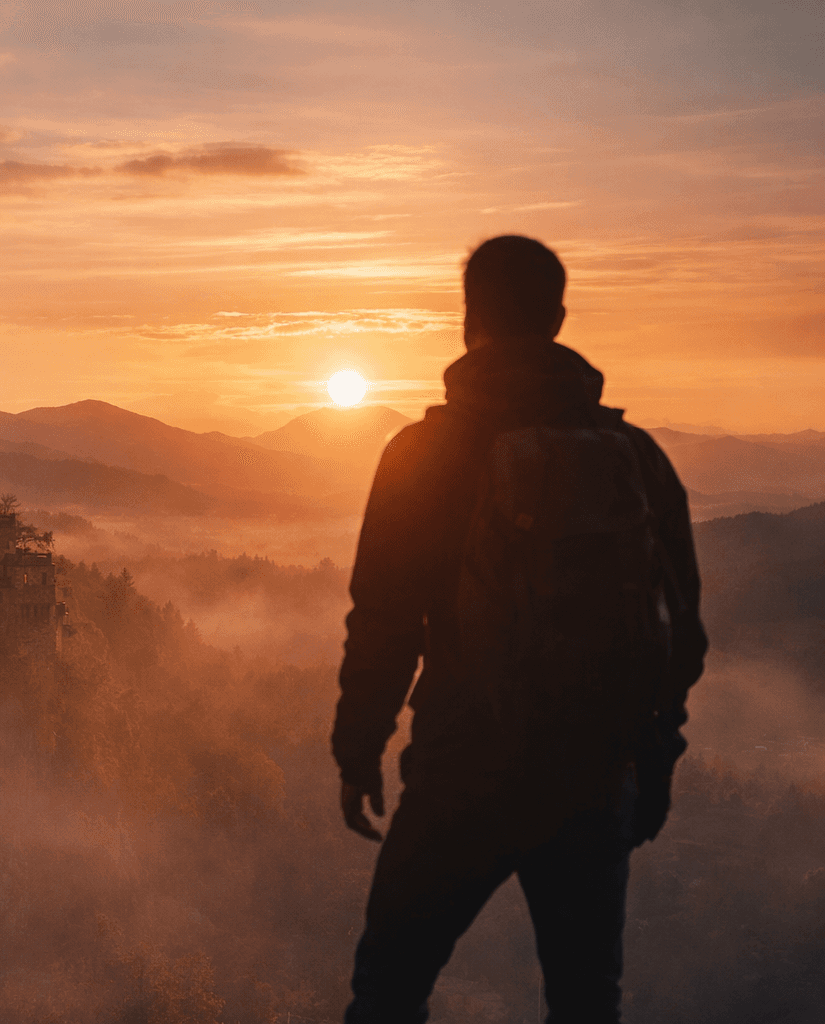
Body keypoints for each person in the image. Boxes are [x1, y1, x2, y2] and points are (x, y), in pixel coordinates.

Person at [332, 235, 706, 1023]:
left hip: (462, 763)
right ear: (559, 317)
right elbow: (680, 635)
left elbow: (385, 620)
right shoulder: (634, 457)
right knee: (583, 1001)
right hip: (593, 771)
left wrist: (357, 748)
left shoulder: (423, 453)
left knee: (390, 989)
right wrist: (653, 760)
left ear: (469, 321)